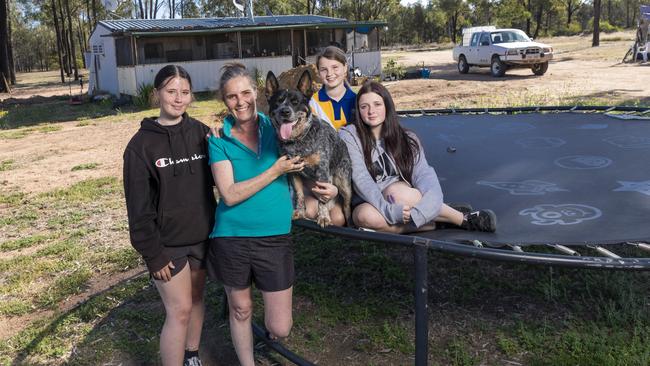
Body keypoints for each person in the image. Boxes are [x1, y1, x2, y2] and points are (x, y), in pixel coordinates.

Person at [206, 63, 304, 366]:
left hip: (274, 236)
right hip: (232, 236)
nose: (241, 101)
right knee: (241, 309)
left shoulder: (276, 125)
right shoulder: (218, 139)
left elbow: (312, 140)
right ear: (225, 101)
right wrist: (276, 170)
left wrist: (321, 190)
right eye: (232, 97)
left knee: (280, 327)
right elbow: (230, 194)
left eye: (246, 93)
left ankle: (269, 334)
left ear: (256, 93)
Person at [123, 65, 216, 366]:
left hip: (203, 237)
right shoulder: (140, 147)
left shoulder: (202, 133)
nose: (178, 99)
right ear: (157, 94)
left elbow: (224, 179)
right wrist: (153, 254)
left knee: (197, 299)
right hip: (168, 245)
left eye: (185, 92)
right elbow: (138, 209)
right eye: (171, 91)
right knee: (179, 311)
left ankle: (191, 355)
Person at [339, 81, 497, 234]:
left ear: (387, 106)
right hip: (369, 200)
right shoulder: (349, 136)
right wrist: (390, 211)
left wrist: (433, 200)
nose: (371, 111)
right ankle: (435, 222)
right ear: (358, 111)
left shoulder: (407, 138)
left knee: (396, 193)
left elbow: (424, 175)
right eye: (364, 106)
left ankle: (463, 219)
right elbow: (361, 179)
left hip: (399, 196)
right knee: (363, 218)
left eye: (377, 104)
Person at [303, 45, 356, 226]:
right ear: (318, 72)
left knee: (342, 216)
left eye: (335, 68)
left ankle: (350, 207)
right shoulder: (312, 104)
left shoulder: (358, 100)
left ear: (345, 68)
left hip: (354, 165)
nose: (330, 73)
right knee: (329, 217)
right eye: (324, 69)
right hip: (324, 168)